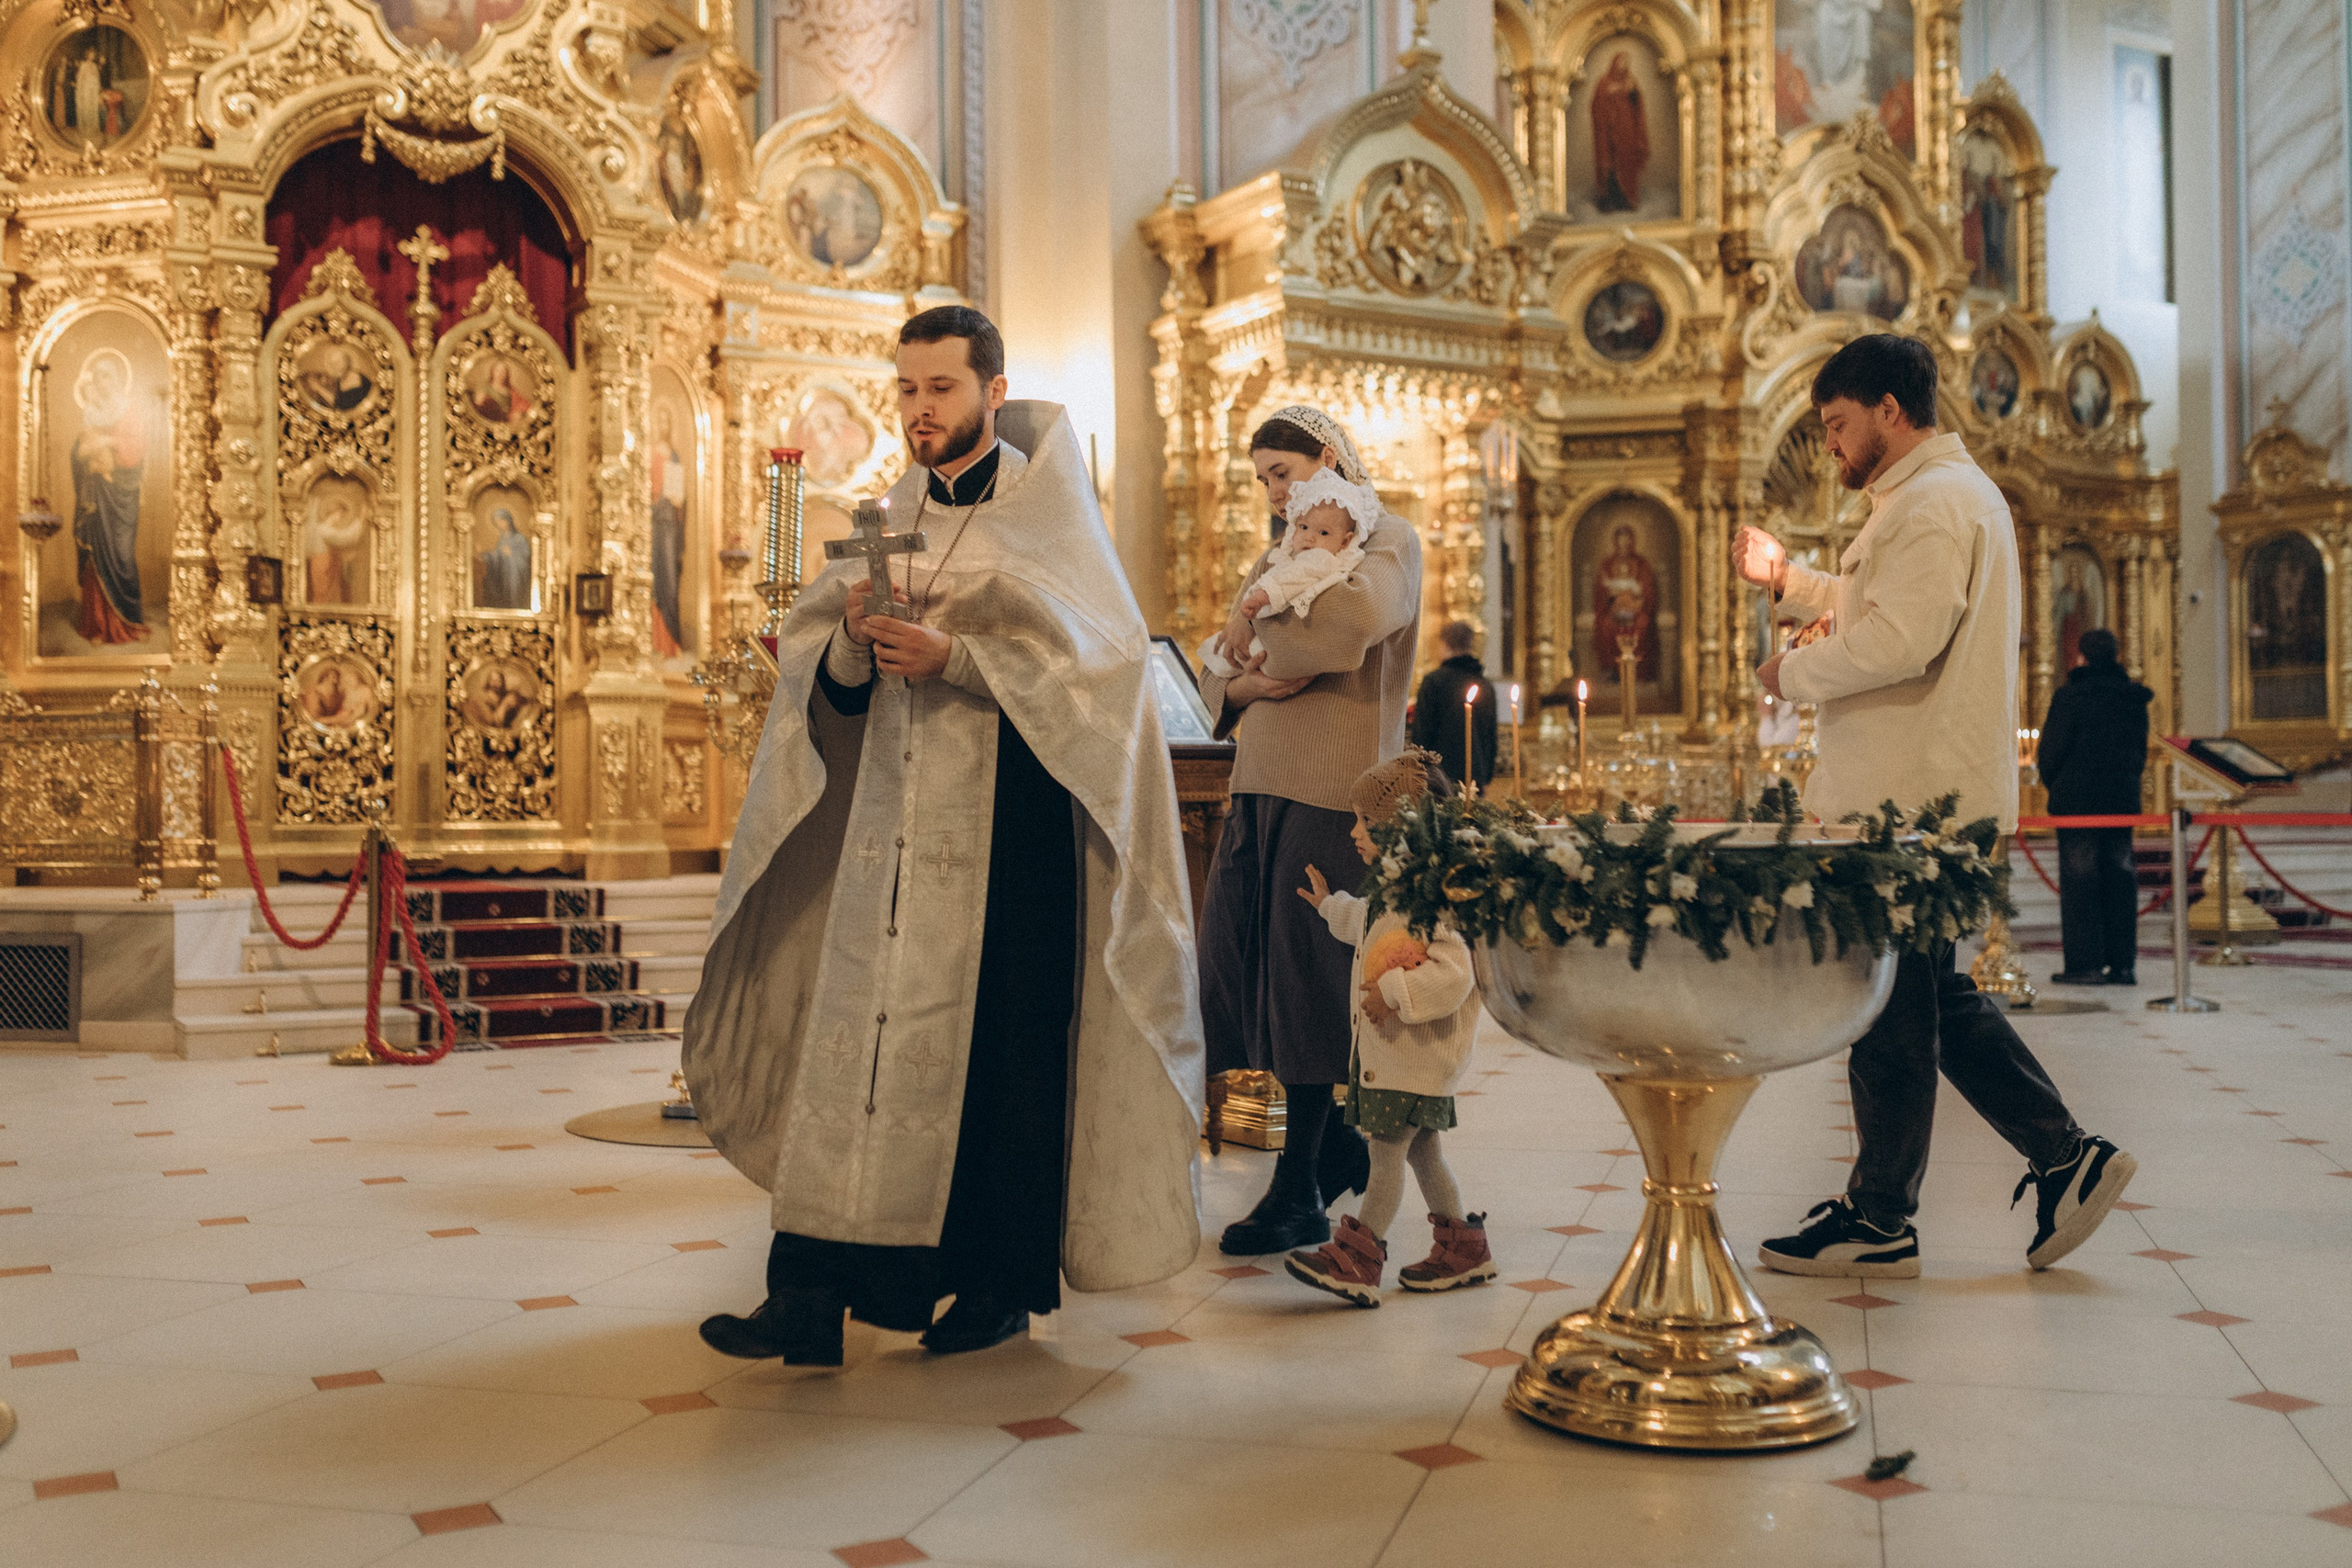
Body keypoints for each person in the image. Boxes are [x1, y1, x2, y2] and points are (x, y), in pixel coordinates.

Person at [684, 305, 1202, 1364]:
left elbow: (1103, 678)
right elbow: (812, 655)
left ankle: (995, 1286)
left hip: (1012, 846)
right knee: (855, 1055)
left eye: (942, 390)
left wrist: (958, 659)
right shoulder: (888, 514)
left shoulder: (1054, 525)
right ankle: (811, 1294)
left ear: (992, 393)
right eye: (908, 390)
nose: (921, 412)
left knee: (998, 1066)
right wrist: (854, 653)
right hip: (885, 838)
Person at [1733, 333, 2136, 1277]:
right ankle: (2049, 1161)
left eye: (1837, 425)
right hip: (1917, 795)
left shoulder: (1932, 504)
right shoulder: (1936, 500)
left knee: (1895, 1007)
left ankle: (1890, 1213)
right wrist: (1792, 583)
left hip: (1906, 802)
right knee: (1920, 998)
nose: (1830, 447)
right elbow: (1889, 609)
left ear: (1887, 409)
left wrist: (1786, 669)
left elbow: (1895, 644)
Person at [1195, 405, 1423, 1256]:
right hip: (1259, 782)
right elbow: (1219, 669)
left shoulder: (1386, 536)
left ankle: (1298, 1187)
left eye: (1282, 473)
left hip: (1335, 789)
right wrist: (1246, 685)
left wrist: (1262, 642)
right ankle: (1333, 1150)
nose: (1273, 493)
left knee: (1305, 981)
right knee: (1242, 964)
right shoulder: (1284, 547)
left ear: (1326, 459)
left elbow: (1350, 628)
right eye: (1261, 480)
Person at [1285, 750, 1493, 1306]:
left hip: (1414, 1053)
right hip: (1403, 1056)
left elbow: (1456, 972)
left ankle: (1357, 1256)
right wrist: (1331, 905)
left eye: (1365, 822)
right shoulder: (1404, 885)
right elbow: (1375, 926)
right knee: (1424, 1152)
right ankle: (1464, 1250)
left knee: (1384, 1156)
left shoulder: (1439, 894)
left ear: (1402, 827)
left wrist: (1394, 993)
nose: (1354, 831)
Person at [2037, 627, 2153, 986]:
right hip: (2119, 800)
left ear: (2081, 656)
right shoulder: (2132, 699)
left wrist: (2055, 783)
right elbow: (2138, 754)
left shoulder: (2071, 697)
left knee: (2080, 878)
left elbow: (2051, 751)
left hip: (2078, 802)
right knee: (2120, 875)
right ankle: (2123, 965)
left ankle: (2085, 964)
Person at [1198, 467, 1376, 677]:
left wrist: (1261, 598)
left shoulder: (1320, 559)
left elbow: (1291, 579)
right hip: (1271, 632)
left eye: (1323, 532)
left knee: (1227, 655)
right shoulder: (1289, 556)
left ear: (1345, 541)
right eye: (1303, 527)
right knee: (1225, 653)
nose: (1309, 537)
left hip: (1277, 640)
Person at [1408, 621, 1495, 793]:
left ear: (1444, 643)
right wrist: (1486, 775)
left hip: (1439, 778)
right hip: (1475, 777)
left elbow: (1422, 733)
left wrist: (1418, 770)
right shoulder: (1485, 685)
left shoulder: (1434, 682)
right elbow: (1490, 737)